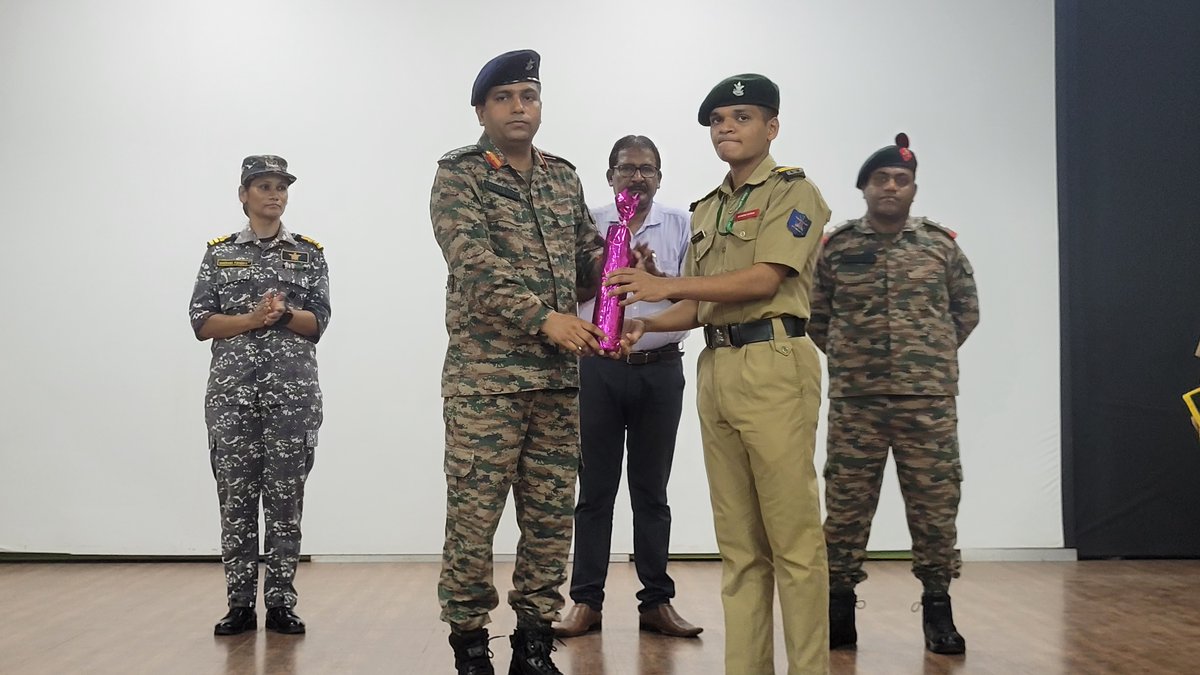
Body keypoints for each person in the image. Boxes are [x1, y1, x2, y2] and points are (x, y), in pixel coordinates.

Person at [609, 74, 832, 675]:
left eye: (742, 117)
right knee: (739, 547)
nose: (726, 128)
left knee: (794, 542)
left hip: (774, 362)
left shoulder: (793, 192)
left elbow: (764, 279)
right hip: (717, 365)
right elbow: (701, 304)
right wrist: (646, 325)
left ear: (772, 127)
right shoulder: (708, 208)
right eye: (717, 121)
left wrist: (666, 286)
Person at [431, 49, 610, 675]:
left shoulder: (563, 177)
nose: (518, 107)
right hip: (487, 383)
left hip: (558, 383)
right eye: (504, 97)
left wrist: (617, 266)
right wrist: (545, 319)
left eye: (528, 96)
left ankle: (534, 645)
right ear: (481, 110)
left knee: (550, 520)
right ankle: (469, 647)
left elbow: (585, 258)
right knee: (474, 519)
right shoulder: (459, 175)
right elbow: (474, 265)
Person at [808, 133, 980, 655]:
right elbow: (816, 317)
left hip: (927, 402)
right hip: (857, 402)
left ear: (913, 189)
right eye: (880, 179)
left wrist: (926, 357)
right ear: (864, 188)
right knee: (846, 507)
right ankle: (838, 609)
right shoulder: (838, 248)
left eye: (900, 180)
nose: (890, 187)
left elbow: (965, 311)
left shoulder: (940, 246)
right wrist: (853, 359)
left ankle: (938, 609)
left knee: (935, 508)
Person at [553, 135, 701, 640]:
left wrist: (659, 279)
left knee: (651, 491)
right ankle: (585, 602)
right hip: (596, 370)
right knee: (595, 491)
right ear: (610, 175)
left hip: (660, 368)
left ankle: (656, 603)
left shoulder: (682, 225)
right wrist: (605, 273)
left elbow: (697, 302)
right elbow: (565, 290)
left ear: (659, 176)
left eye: (647, 168)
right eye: (626, 168)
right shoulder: (588, 224)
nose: (637, 177)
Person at [188, 155, 331, 636]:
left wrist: (283, 314)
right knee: (236, 503)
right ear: (244, 195)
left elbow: (319, 322)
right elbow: (201, 322)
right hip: (233, 399)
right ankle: (240, 605)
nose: (274, 194)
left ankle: (281, 603)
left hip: (292, 399)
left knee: (286, 503)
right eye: (264, 186)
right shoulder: (219, 254)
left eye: (281, 187)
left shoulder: (308, 254)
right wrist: (250, 319)